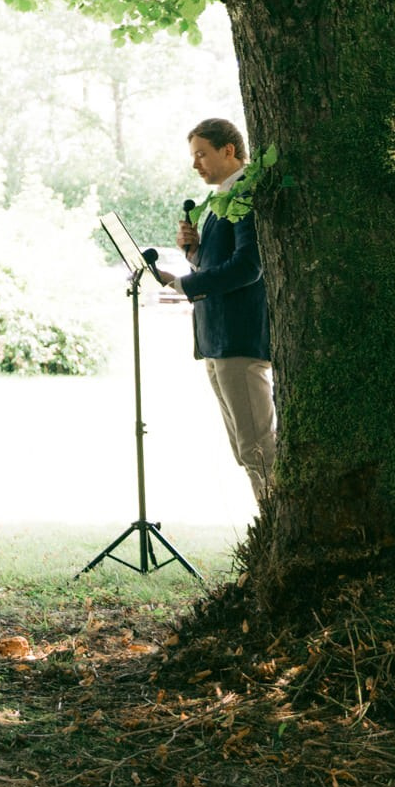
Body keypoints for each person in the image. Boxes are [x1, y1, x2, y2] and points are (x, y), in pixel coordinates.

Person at [172, 117, 275, 503]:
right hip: (216, 340)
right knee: (243, 448)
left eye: (201, 154)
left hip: (240, 339)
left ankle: (277, 528)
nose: (195, 164)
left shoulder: (246, 194)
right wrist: (194, 252)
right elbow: (218, 263)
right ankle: (271, 531)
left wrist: (186, 283)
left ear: (228, 150)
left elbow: (250, 267)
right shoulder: (220, 200)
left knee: (258, 447)